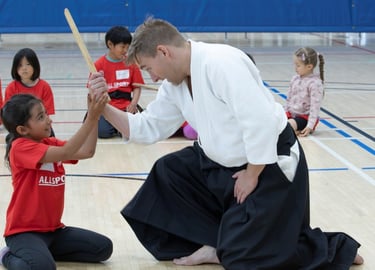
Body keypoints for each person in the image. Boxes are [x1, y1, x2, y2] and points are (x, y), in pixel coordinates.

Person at [88, 17, 363, 269]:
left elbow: (261, 122)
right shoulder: (176, 84)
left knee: (246, 257)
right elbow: (146, 128)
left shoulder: (221, 63)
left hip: (269, 164)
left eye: (149, 68)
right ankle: (221, 240)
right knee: (168, 173)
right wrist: (104, 107)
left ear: (163, 51)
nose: (153, 77)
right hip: (221, 165)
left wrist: (253, 173)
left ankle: (329, 249)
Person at [0, 93, 112, 269]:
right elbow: (67, 152)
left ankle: (41, 251)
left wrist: (95, 115)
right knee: (44, 268)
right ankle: (7, 256)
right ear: (23, 130)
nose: (48, 120)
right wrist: (90, 117)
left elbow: (87, 151)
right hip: (23, 233)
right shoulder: (20, 147)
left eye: (46, 113)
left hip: (54, 231)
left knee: (103, 248)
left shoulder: (49, 142)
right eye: (41, 117)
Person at [94, 25, 145, 138]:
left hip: (126, 106)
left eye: (128, 47)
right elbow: (93, 89)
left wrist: (133, 104)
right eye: (122, 47)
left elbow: (137, 86)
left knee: (135, 130)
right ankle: (117, 127)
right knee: (103, 132)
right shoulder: (99, 65)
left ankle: (119, 127)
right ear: (110, 45)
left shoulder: (131, 63)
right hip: (107, 108)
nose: (125, 50)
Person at [4, 48, 56, 136]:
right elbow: (9, 115)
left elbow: (47, 114)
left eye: (28, 64)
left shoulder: (44, 86)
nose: (24, 68)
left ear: (35, 65)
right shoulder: (11, 88)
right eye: (20, 65)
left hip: (40, 130)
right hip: (19, 132)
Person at [285, 47, 325, 137]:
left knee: (287, 126)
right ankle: (293, 131)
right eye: (295, 64)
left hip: (304, 118)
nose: (295, 68)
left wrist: (310, 126)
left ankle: (297, 131)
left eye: (298, 65)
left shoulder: (315, 83)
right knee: (275, 121)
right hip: (291, 114)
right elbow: (288, 99)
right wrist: (285, 113)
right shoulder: (294, 79)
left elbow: (315, 108)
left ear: (309, 67)